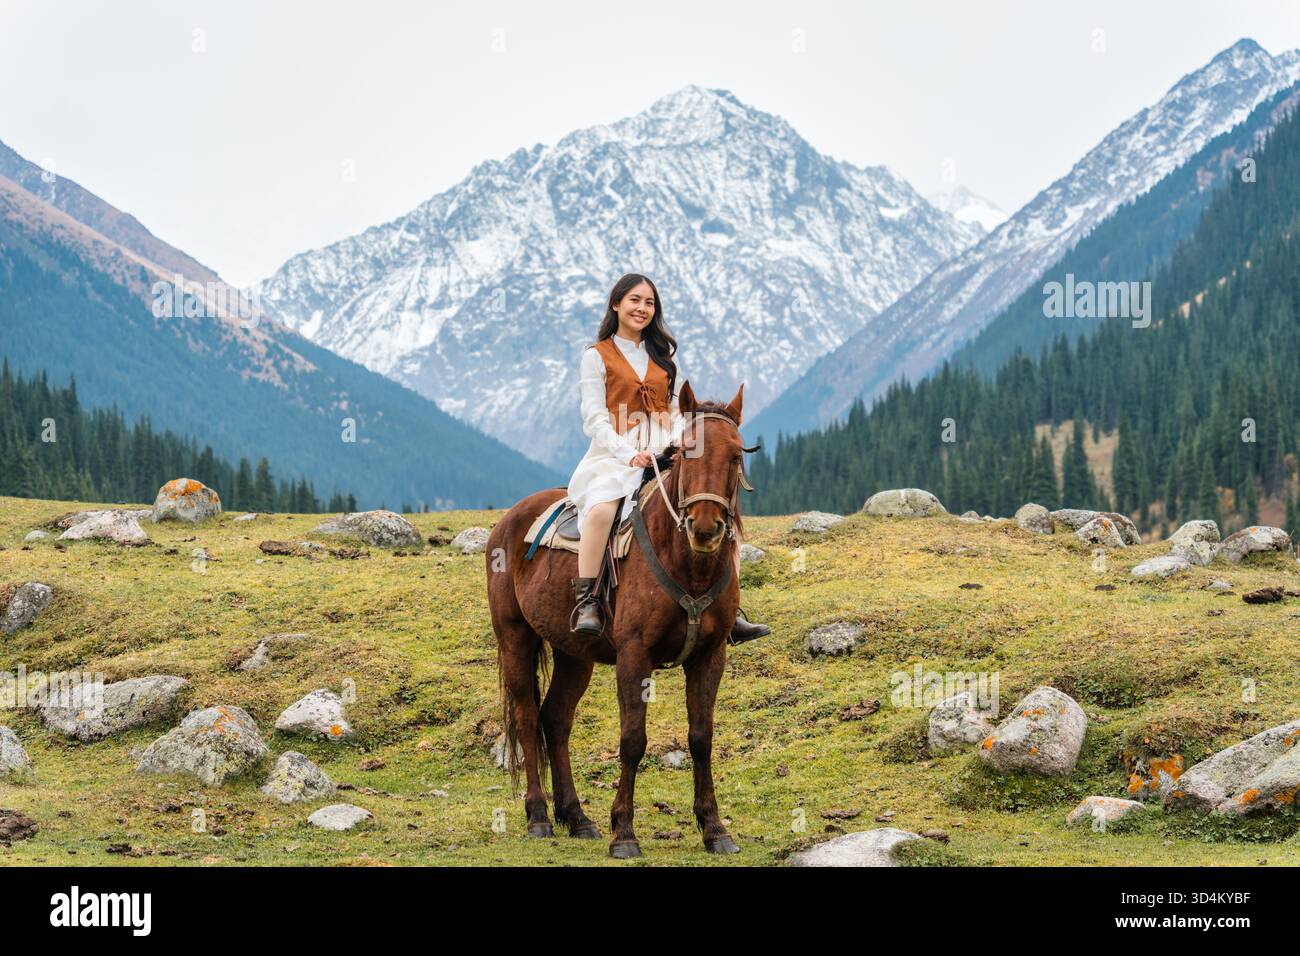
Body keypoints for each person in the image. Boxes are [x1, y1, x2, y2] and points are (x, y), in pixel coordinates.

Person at [565, 272, 770, 645]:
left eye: (649, 303)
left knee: (715, 508)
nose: (642, 309)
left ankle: (731, 610)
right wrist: (630, 454)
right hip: (615, 453)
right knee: (600, 512)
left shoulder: (662, 357)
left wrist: (681, 442)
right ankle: (588, 600)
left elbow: (674, 410)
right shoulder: (595, 357)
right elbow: (594, 418)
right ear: (616, 304)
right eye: (634, 301)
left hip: (666, 450)